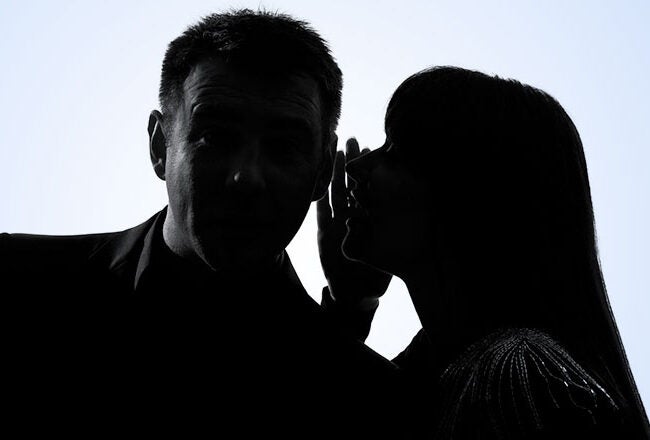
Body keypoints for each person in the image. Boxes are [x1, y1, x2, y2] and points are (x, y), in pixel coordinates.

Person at [2, 10, 405, 437]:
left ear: (323, 171)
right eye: (215, 136)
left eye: (284, 146)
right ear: (160, 145)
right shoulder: (15, 283)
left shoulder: (370, 401)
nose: (246, 177)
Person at [318, 66, 650, 438]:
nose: (359, 168)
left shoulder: (519, 376)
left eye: (396, 153)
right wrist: (350, 303)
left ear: (467, 196)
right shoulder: (451, 367)